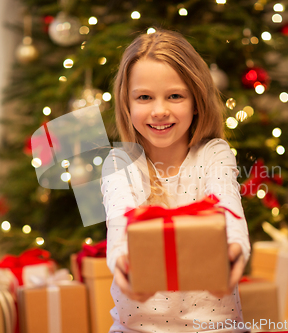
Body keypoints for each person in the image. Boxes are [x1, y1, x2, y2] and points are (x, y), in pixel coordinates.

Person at [101, 29, 251, 333]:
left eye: (175, 96)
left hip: (216, 328)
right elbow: (119, 224)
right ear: (127, 106)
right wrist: (122, 264)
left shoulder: (213, 154)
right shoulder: (119, 163)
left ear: (196, 101)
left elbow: (228, 206)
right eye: (144, 97)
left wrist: (236, 247)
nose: (159, 111)